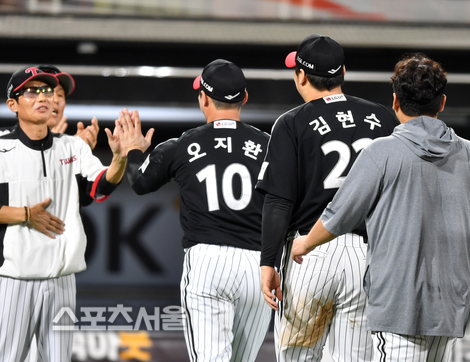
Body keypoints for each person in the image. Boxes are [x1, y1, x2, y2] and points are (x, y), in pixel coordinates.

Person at [291, 53, 470, 362]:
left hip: (398, 306)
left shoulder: (382, 151)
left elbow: (339, 216)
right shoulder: (466, 153)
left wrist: (304, 243)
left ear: (395, 102)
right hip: (450, 306)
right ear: (441, 103)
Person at [0, 65, 126, 362]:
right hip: (14, 278)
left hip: (61, 280)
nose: (44, 97)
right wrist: (25, 214)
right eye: (32, 91)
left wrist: (119, 159)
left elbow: (100, 186)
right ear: (13, 103)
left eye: (48, 91)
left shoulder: (73, 146)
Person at [256, 34, 398, 361]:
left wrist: (268, 262)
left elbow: (279, 201)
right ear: (342, 72)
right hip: (368, 255)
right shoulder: (382, 118)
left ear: (301, 75)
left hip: (309, 253)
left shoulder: (291, 123)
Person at [122, 59, 271, 362]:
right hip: (258, 265)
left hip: (208, 262)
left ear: (203, 98)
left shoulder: (180, 145)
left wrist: (134, 150)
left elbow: (139, 182)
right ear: (244, 98)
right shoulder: (270, 145)